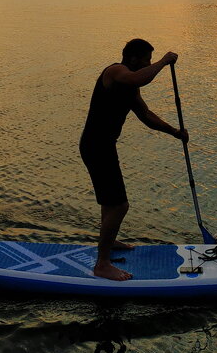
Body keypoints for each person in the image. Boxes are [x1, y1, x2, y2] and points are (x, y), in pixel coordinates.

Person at [79, 39, 188, 281]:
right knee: (119, 205)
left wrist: (175, 133)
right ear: (134, 58)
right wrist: (164, 62)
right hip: (96, 147)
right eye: (148, 59)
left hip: (103, 146)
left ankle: (109, 242)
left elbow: (146, 115)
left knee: (110, 203)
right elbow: (139, 78)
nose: (150, 63)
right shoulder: (116, 72)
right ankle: (103, 265)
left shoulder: (129, 88)